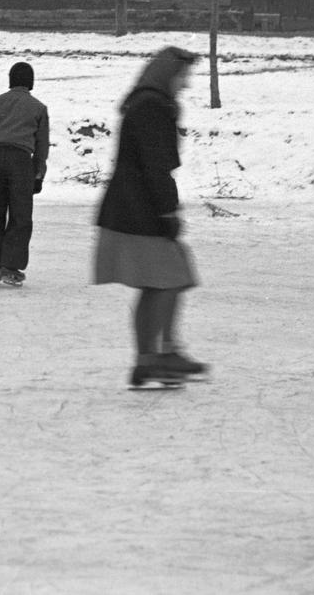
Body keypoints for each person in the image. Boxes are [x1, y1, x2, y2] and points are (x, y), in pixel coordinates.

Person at [92, 46, 206, 389]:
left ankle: (148, 360)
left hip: (128, 208)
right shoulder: (154, 107)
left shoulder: (144, 103)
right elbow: (157, 167)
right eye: (182, 75)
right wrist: (168, 211)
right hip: (140, 210)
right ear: (167, 74)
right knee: (172, 277)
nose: (185, 84)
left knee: (157, 283)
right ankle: (164, 354)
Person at [0, 61, 50, 287]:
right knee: (20, 215)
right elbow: (42, 146)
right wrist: (38, 175)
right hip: (21, 162)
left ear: (10, 80)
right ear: (31, 82)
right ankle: (10, 266)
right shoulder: (39, 108)